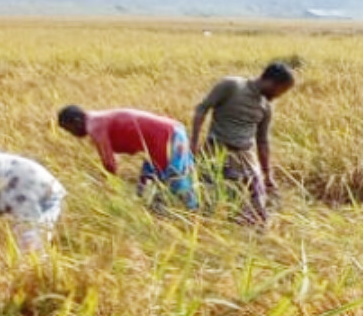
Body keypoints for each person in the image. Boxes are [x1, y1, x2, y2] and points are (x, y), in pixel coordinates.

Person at [192, 62, 294, 226]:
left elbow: (262, 141)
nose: (279, 95)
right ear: (271, 81)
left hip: (245, 156)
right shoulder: (232, 86)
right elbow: (201, 109)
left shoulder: (265, 106)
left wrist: (267, 174)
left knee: (257, 205)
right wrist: (194, 144)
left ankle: (248, 237)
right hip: (216, 150)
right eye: (280, 90)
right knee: (207, 199)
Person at [56, 105, 198, 210]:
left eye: (69, 129)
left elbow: (109, 163)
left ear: (76, 121)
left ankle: (194, 215)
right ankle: (162, 215)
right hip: (169, 134)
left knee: (175, 179)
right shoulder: (96, 118)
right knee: (146, 185)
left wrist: (110, 186)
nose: (72, 134)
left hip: (168, 138)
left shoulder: (94, 125)